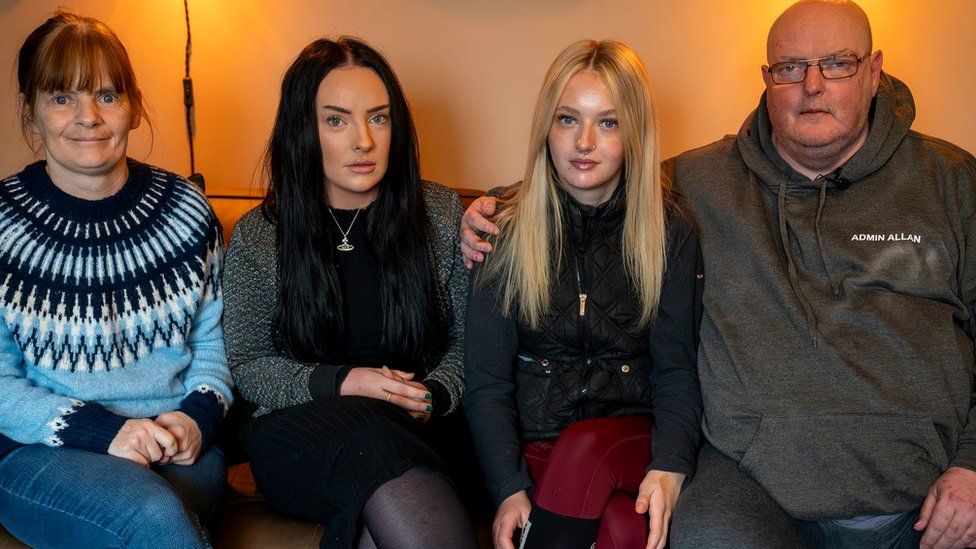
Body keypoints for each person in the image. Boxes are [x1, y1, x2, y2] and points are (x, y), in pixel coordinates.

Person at [462, 1, 976, 548]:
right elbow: (595, 179)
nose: (813, 85)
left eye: (838, 64)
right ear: (767, 79)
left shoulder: (951, 182)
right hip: (750, 488)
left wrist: (971, 466)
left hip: (926, 499)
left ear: (874, 72)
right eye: (790, 67)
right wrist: (496, 209)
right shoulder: (699, 182)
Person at [222, 37, 476, 549]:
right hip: (303, 437)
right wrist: (346, 383)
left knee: (384, 469)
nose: (363, 140)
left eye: (378, 118)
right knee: (369, 434)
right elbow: (248, 363)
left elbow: (469, 344)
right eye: (336, 120)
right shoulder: (260, 234)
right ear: (304, 131)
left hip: (422, 427)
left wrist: (432, 397)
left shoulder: (445, 216)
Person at [0, 11, 233, 549]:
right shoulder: (4, 225)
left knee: (163, 511)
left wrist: (196, 419)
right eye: (62, 98)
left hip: (177, 446)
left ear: (133, 106)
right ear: (31, 114)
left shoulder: (188, 211)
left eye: (107, 95)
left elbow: (214, 347)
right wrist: (105, 433)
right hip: (45, 452)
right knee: (151, 514)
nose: (89, 117)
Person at [463, 39, 702, 549]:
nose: (584, 141)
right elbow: (485, 382)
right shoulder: (498, 226)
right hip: (537, 443)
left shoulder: (670, 230)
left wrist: (671, 465)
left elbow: (677, 371)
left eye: (608, 122)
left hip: (626, 439)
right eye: (568, 119)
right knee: (619, 529)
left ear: (634, 131)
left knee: (588, 444)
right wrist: (507, 489)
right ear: (547, 128)